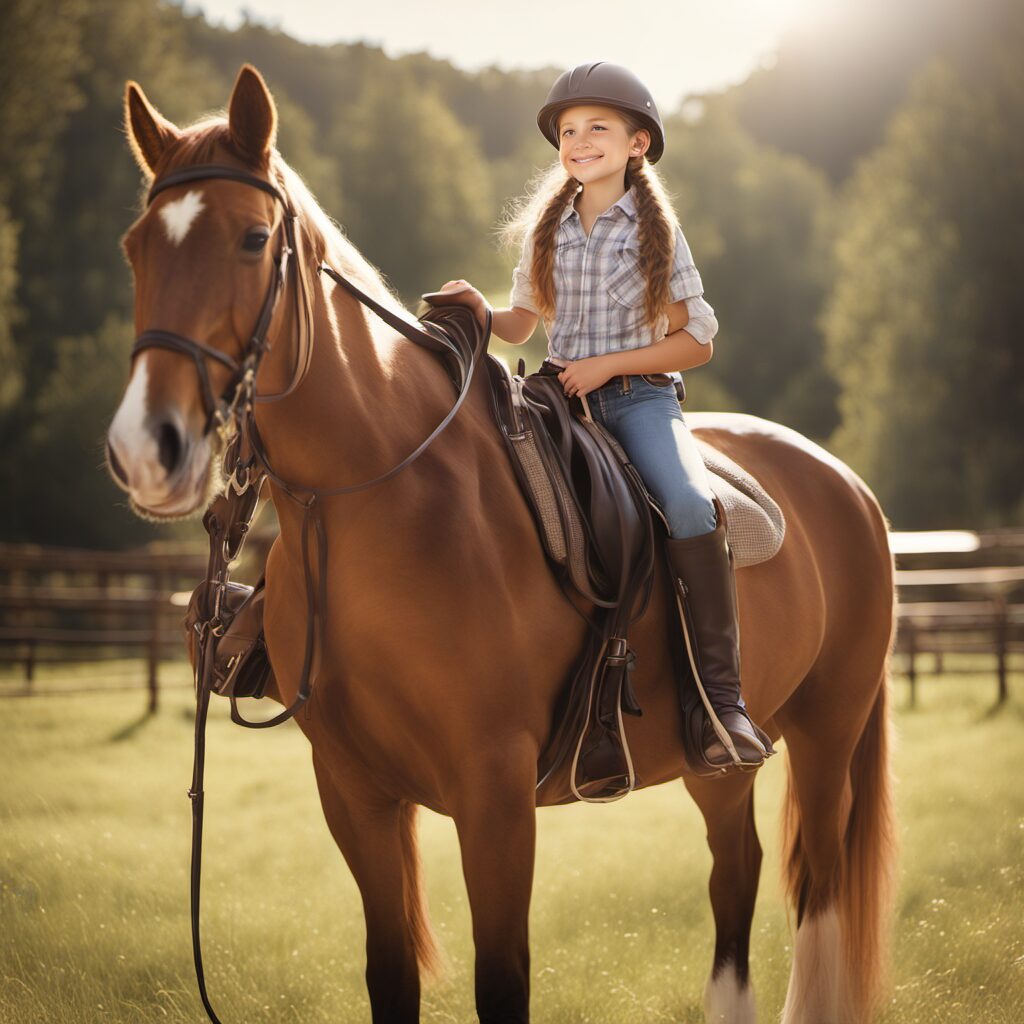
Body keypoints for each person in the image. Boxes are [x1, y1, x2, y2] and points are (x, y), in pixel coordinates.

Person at [431, 62, 774, 772]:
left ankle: (722, 700)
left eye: (597, 128)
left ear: (636, 144)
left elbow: (699, 340)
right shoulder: (546, 228)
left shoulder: (655, 232)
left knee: (686, 502)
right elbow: (523, 324)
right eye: (567, 131)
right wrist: (476, 310)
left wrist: (611, 367)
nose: (579, 140)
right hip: (556, 399)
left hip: (639, 400)